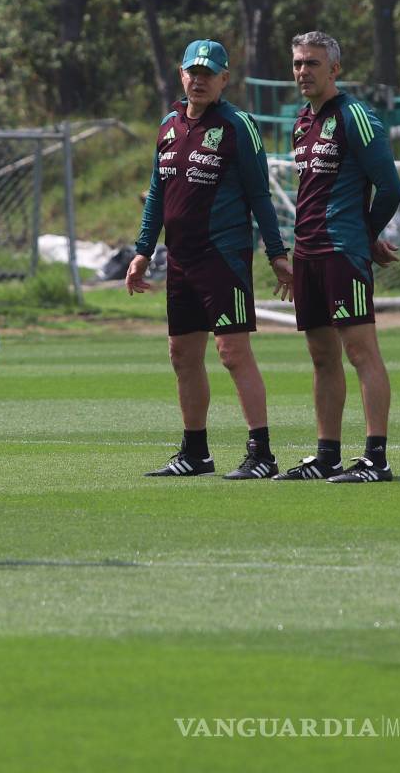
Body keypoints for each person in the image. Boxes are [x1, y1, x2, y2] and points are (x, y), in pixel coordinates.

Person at [126, 39, 293, 479]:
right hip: (180, 259)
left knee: (232, 352)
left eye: (208, 73)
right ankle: (195, 452)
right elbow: (157, 193)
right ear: (181, 74)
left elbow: (260, 194)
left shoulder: (238, 125)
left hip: (224, 257)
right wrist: (143, 250)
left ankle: (262, 454)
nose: (198, 80)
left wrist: (277, 254)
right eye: (192, 72)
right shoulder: (168, 125)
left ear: (224, 79)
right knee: (182, 353)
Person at [272, 31, 400, 483]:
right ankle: (327, 454)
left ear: (335, 69)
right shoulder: (302, 122)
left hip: (342, 253)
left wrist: (365, 237)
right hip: (307, 254)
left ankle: (376, 458)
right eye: (297, 64)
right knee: (321, 357)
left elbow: (390, 188)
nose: (302, 71)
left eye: (311, 63)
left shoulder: (356, 117)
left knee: (361, 352)